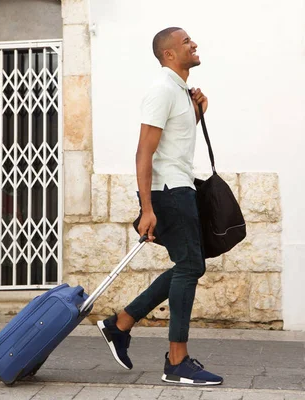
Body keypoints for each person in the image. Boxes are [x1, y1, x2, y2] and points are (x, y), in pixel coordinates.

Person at [97, 27, 223, 386]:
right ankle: (176, 361)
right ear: (169, 54)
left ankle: (120, 324)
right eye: (186, 42)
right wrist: (147, 208)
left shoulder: (181, 92)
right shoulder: (161, 91)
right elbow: (144, 152)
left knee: (189, 265)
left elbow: (175, 140)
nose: (194, 44)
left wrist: (200, 110)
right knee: (189, 267)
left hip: (180, 188)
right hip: (168, 192)